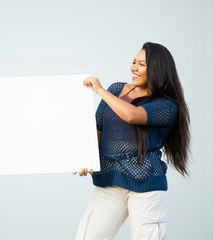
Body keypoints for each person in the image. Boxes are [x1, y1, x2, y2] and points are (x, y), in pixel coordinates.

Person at [75, 42, 190, 240]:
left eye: (142, 64)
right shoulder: (117, 89)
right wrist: (86, 158)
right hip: (110, 182)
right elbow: (97, 128)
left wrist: (100, 90)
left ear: (157, 70)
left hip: (146, 187)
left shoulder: (168, 106)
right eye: (133, 62)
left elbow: (132, 115)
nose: (134, 67)